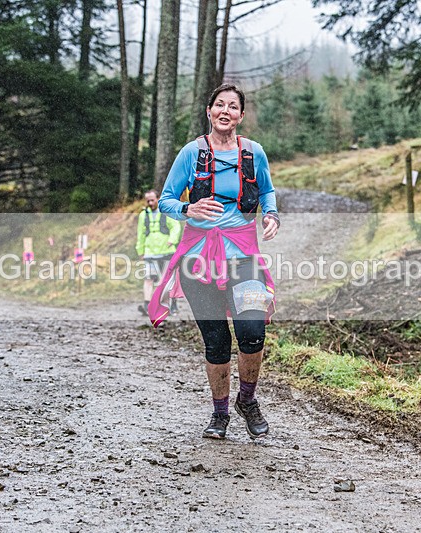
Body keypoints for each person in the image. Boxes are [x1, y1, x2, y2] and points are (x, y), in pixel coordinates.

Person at [148, 83, 280, 440]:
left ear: (240, 115)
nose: (225, 111)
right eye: (219, 105)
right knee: (217, 341)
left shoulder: (254, 153)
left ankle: (247, 401)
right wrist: (189, 208)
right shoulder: (191, 153)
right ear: (209, 112)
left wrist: (271, 214)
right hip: (198, 260)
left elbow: (266, 191)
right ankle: (219, 414)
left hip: (244, 258)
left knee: (253, 332)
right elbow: (166, 201)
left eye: (233, 106)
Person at [135, 190, 181, 316]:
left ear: (157, 199)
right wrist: (140, 250)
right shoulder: (143, 215)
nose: (150, 203)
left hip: (166, 252)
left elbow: (175, 226)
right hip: (150, 252)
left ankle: (171, 305)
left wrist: (172, 240)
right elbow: (141, 234)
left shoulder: (166, 212)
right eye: (148, 201)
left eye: (152, 200)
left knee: (166, 280)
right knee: (148, 279)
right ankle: (147, 305)